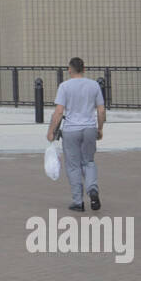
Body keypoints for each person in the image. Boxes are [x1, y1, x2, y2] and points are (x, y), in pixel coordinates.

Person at [45, 57, 106, 212]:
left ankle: (78, 202)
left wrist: (51, 131)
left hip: (71, 130)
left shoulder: (64, 86)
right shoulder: (94, 86)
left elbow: (59, 112)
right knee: (89, 162)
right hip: (89, 128)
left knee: (73, 166)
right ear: (84, 69)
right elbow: (101, 110)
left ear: (69, 69)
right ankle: (92, 190)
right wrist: (99, 128)